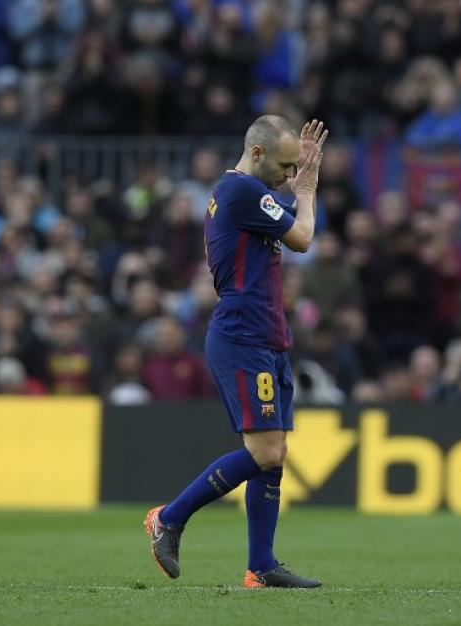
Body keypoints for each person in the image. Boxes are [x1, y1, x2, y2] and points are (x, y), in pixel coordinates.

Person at [144, 116, 327, 589]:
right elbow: (303, 238)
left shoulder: (250, 195)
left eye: (295, 167)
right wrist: (308, 188)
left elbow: (287, 219)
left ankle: (261, 566)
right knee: (263, 451)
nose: (290, 175)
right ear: (258, 153)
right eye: (285, 166)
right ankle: (169, 517)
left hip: (268, 335)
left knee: (275, 452)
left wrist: (299, 185)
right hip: (242, 336)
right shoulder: (240, 190)